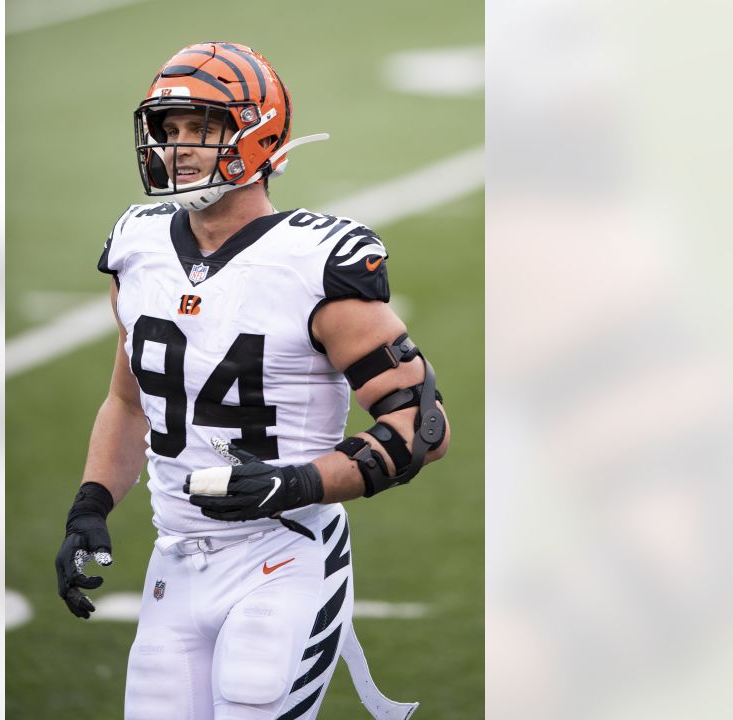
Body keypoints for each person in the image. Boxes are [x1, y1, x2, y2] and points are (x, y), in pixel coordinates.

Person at [54, 41, 450, 720]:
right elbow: (127, 402)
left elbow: (423, 427)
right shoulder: (138, 245)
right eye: (168, 130)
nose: (178, 148)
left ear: (255, 133)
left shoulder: (315, 263)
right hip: (175, 559)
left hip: (285, 557)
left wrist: (293, 484)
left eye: (200, 129)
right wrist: (91, 504)